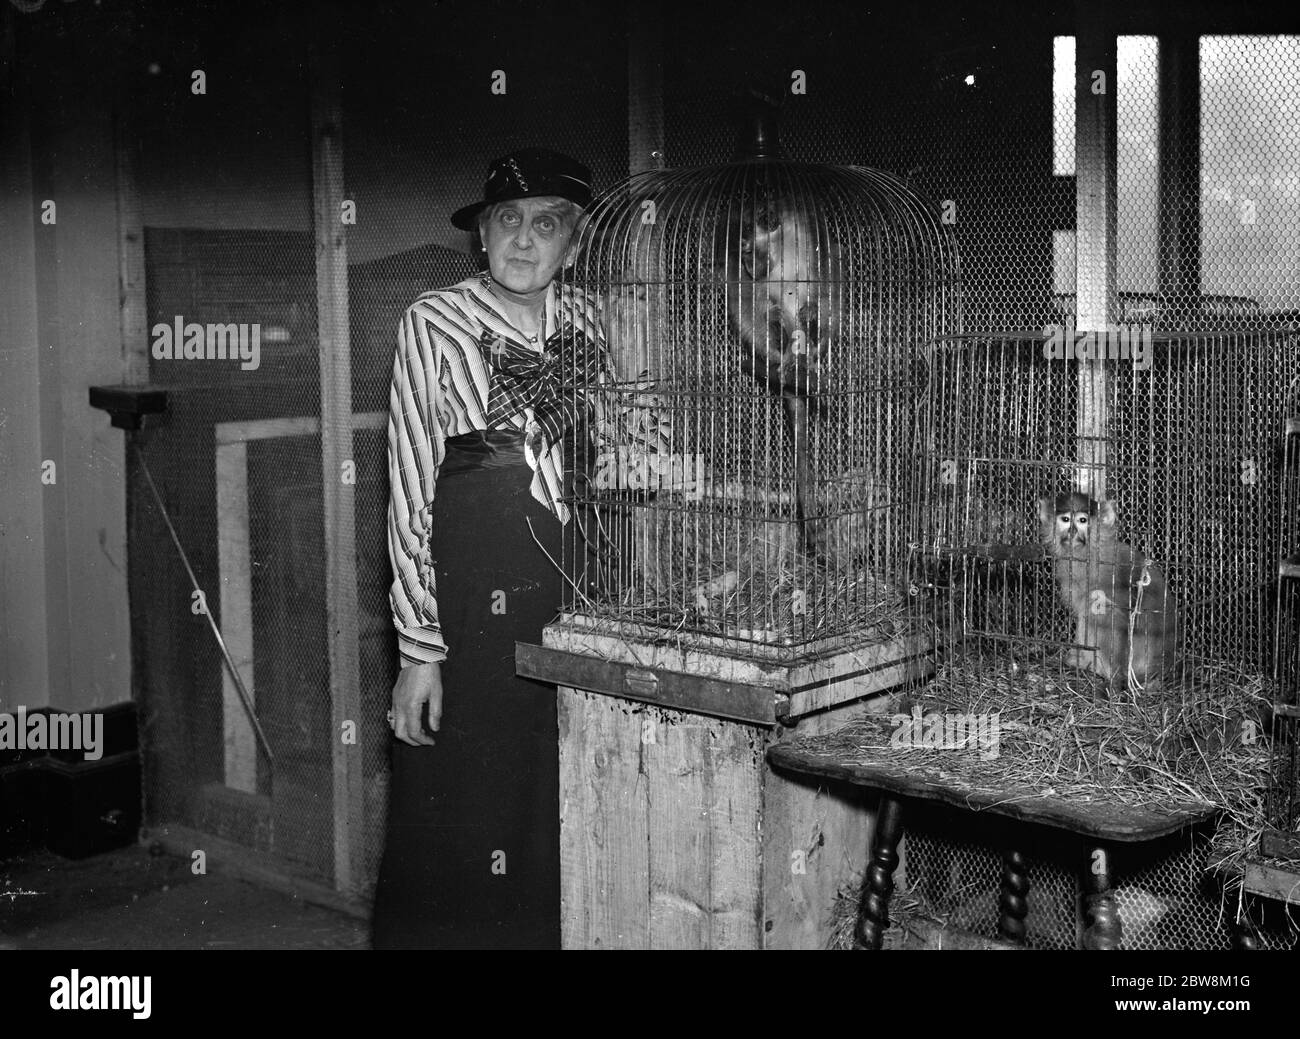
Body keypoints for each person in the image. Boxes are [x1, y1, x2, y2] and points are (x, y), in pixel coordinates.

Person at [371, 147, 602, 949]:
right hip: (467, 605)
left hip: (573, 598)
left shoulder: (593, 321)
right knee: (462, 801)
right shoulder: (433, 321)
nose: (525, 240)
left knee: (553, 796)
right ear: (481, 235)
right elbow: (407, 489)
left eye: (548, 224)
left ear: (574, 244)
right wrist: (419, 649)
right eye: (508, 220)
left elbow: (621, 456)